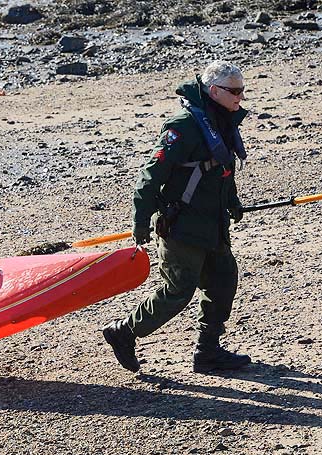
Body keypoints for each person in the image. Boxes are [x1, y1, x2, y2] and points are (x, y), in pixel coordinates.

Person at [103, 60, 251, 374]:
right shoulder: (183, 126)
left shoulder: (222, 121)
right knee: (178, 289)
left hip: (212, 224)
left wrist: (233, 202)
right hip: (181, 226)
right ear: (214, 91)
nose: (241, 96)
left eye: (242, 89)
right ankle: (124, 332)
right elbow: (150, 175)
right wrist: (141, 220)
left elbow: (221, 171)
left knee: (224, 280)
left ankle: (207, 352)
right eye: (235, 90)